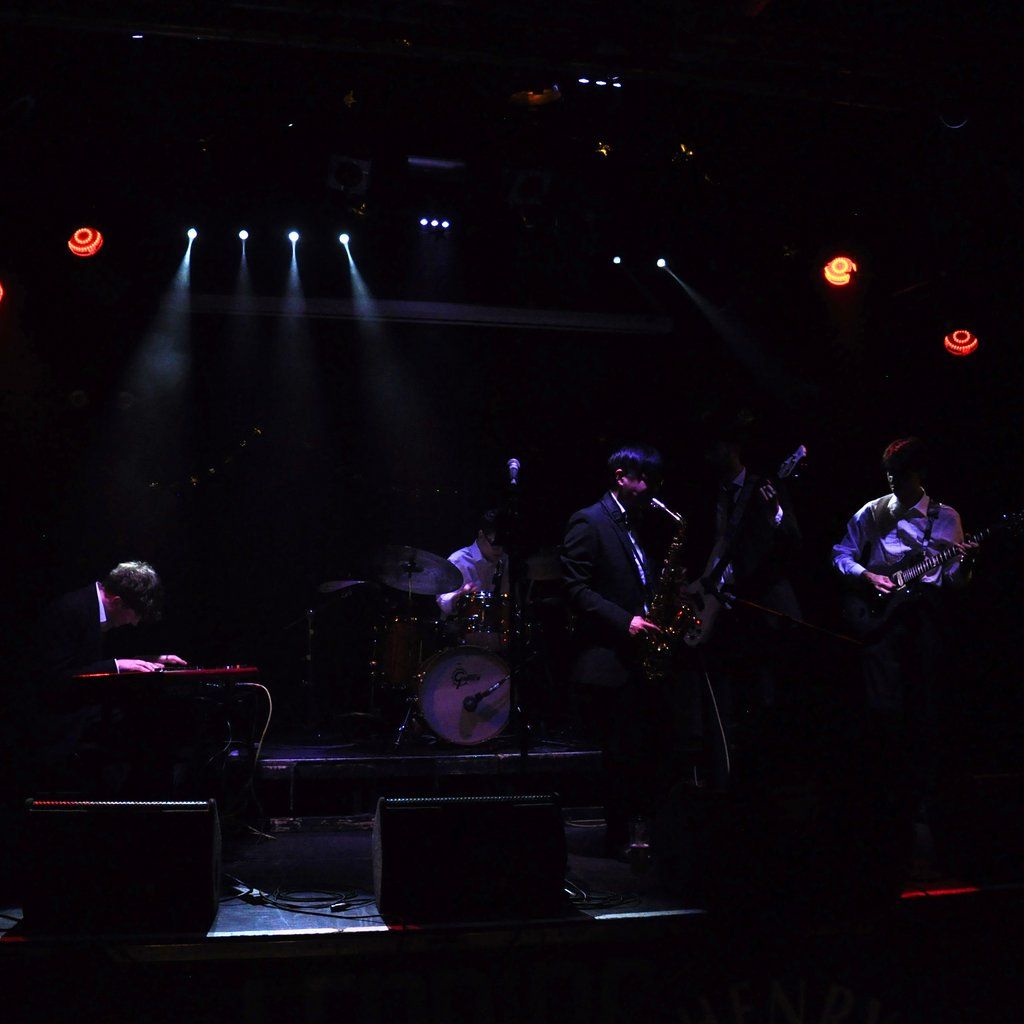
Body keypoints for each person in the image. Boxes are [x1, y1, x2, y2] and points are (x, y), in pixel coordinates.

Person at [832, 436, 974, 821]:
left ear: (919, 474)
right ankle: (883, 793)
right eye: (889, 474)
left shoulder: (947, 518)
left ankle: (922, 798)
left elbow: (954, 581)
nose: (893, 481)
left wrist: (964, 564)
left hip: (925, 618)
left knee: (923, 707)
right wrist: (866, 576)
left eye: (900, 474)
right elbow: (841, 552)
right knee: (882, 708)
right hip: (881, 618)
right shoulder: (873, 511)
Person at [561, 444, 666, 858]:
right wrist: (627, 621)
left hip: (636, 657)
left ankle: (643, 830)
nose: (651, 488)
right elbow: (575, 589)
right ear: (621, 477)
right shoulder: (589, 521)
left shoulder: (633, 523)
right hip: (608, 659)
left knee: (642, 750)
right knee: (620, 754)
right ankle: (621, 835)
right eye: (645, 479)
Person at [27, 561, 190, 797]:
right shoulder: (71, 610)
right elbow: (55, 679)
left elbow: (89, 660)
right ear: (117, 602)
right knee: (140, 738)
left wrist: (144, 659)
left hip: (83, 711)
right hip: (58, 722)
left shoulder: (98, 609)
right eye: (136, 614)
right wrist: (116, 665)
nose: (135, 623)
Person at [436, 509, 510, 619]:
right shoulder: (459, 560)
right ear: (481, 535)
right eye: (495, 545)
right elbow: (443, 599)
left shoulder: (504, 560)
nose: (500, 550)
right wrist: (459, 597)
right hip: (460, 626)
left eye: (503, 544)